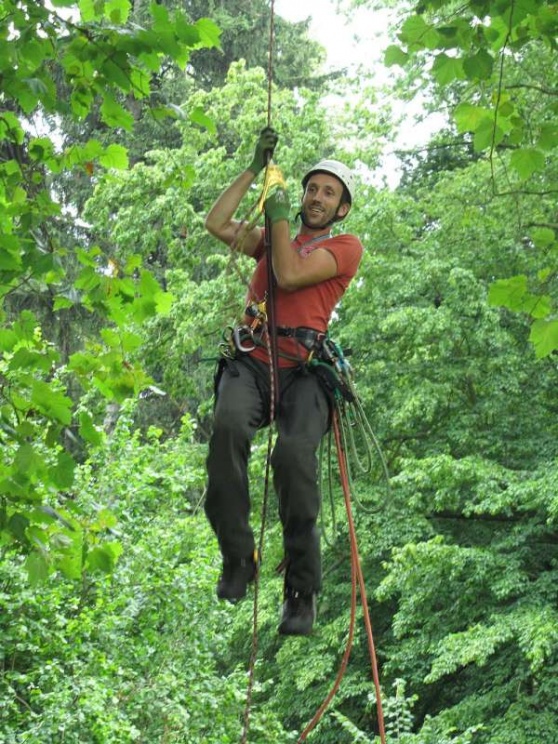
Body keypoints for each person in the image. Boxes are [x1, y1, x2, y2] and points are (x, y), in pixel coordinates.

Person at [203, 128, 363, 635]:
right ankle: (237, 557)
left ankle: (301, 592)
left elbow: (291, 276)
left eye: (328, 193)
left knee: (293, 457)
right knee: (228, 428)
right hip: (253, 359)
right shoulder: (277, 240)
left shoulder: (345, 247)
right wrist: (253, 169)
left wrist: (274, 215)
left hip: (304, 372)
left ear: (341, 209)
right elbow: (216, 222)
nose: (317, 197)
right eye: (312, 188)